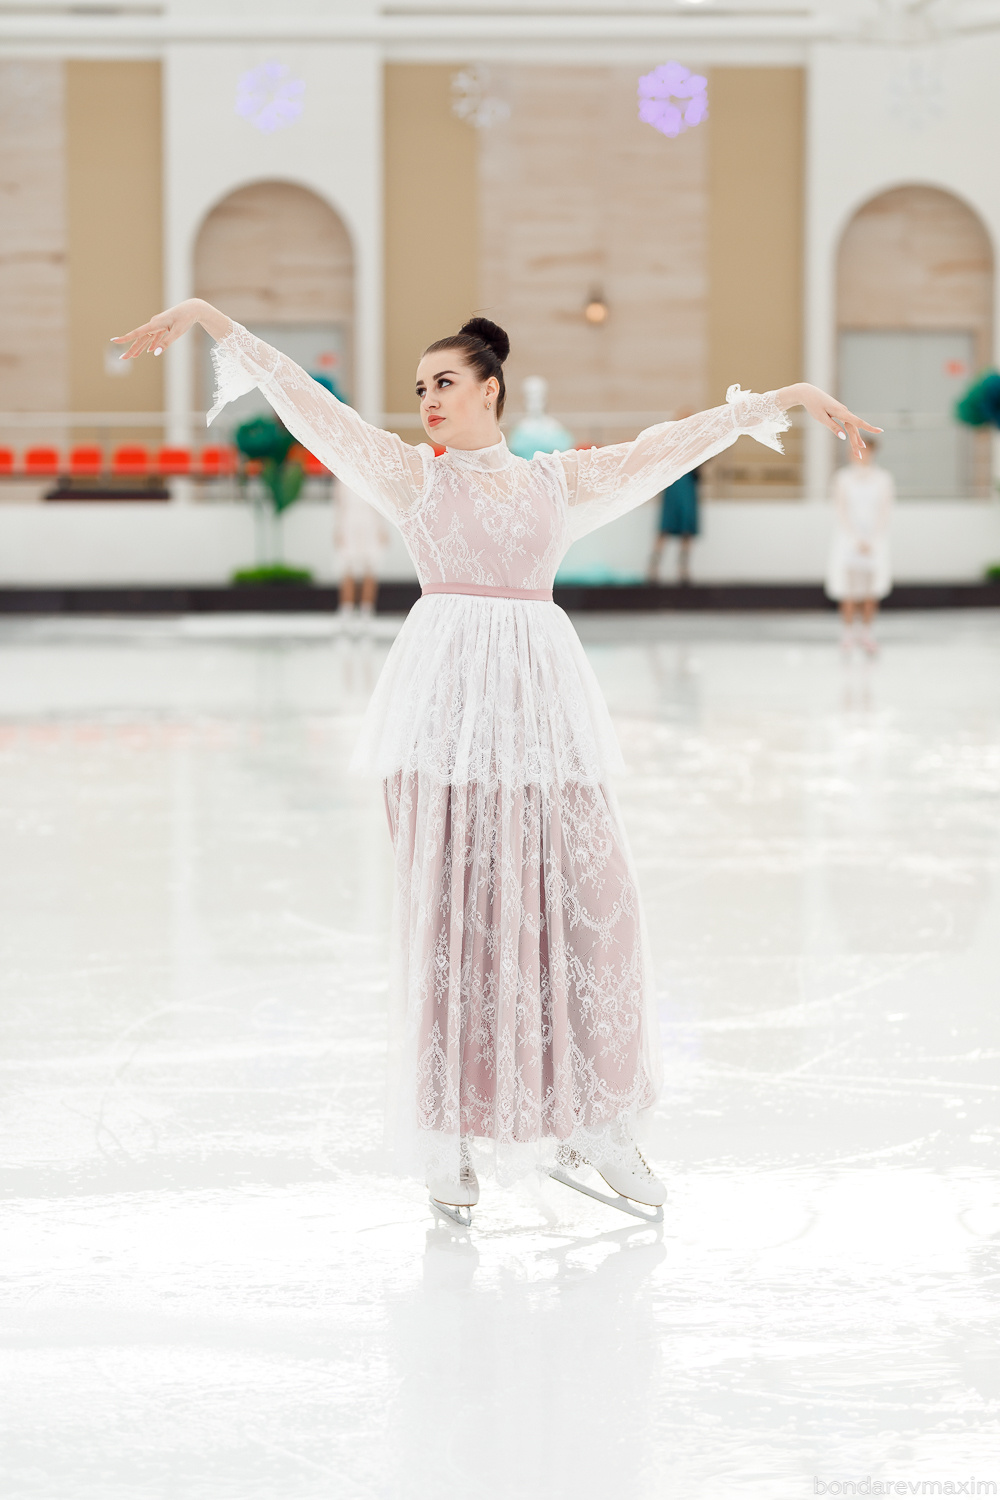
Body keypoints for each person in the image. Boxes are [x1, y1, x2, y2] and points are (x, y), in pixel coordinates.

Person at [113, 301, 878, 1226]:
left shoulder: (557, 484)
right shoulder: (411, 479)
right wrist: (211, 321)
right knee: (454, 921)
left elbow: (665, 445)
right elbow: (315, 410)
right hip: (441, 721)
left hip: (542, 717)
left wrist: (785, 395)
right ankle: (445, 1133)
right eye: (420, 387)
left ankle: (596, 1121)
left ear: (491, 390)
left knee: (596, 903)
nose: (428, 399)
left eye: (444, 383)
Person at [825, 437, 894, 654]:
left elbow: (885, 511)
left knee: (870, 590)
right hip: (848, 541)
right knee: (848, 589)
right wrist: (854, 539)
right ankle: (847, 634)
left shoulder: (883, 478)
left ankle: (867, 633)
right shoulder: (843, 478)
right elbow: (840, 510)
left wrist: (872, 539)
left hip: (874, 541)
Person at [335, 476, 387, 625]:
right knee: (347, 568)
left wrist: (382, 529)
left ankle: (366, 611)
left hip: (370, 525)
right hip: (349, 525)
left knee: (370, 569)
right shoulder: (341, 476)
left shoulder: (373, 476)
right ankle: (347, 610)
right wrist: (338, 530)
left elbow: (380, 505)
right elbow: (340, 505)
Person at [648, 460, 702, 584]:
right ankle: (655, 568)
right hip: (675, 480)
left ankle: (681, 569)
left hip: (684, 480)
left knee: (685, 528)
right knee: (667, 527)